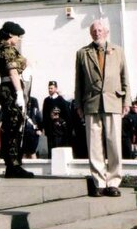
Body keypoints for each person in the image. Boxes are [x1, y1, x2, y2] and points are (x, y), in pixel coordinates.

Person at [74, 17, 128, 197]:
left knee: (114, 143)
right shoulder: (83, 53)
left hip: (113, 101)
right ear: (90, 33)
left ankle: (113, 181)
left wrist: (126, 101)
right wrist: (79, 104)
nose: (97, 33)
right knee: (94, 144)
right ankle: (99, 181)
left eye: (100, 30)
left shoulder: (118, 51)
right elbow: (79, 82)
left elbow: (124, 77)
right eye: (94, 30)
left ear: (106, 32)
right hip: (91, 102)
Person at [0, 21, 34, 178]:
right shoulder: (6, 49)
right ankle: (13, 165)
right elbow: (12, 72)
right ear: (10, 35)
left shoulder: (8, 48)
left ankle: (14, 163)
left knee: (16, 126)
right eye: (18, 36)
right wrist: (18, 93)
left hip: (11, 90)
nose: (19, 39)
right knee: (12, 128)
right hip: (10, 90)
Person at [41, 80, 72, 153]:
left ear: (55, 88)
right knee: (51, 149)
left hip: (59, 130)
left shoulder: (61, 100)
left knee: (58, 149)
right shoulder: (47, 100)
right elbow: (44, 115)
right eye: (49, 88)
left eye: (51, 88)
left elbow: (67, 115)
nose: (50, 90)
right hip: (50, 129)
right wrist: (44, 127)